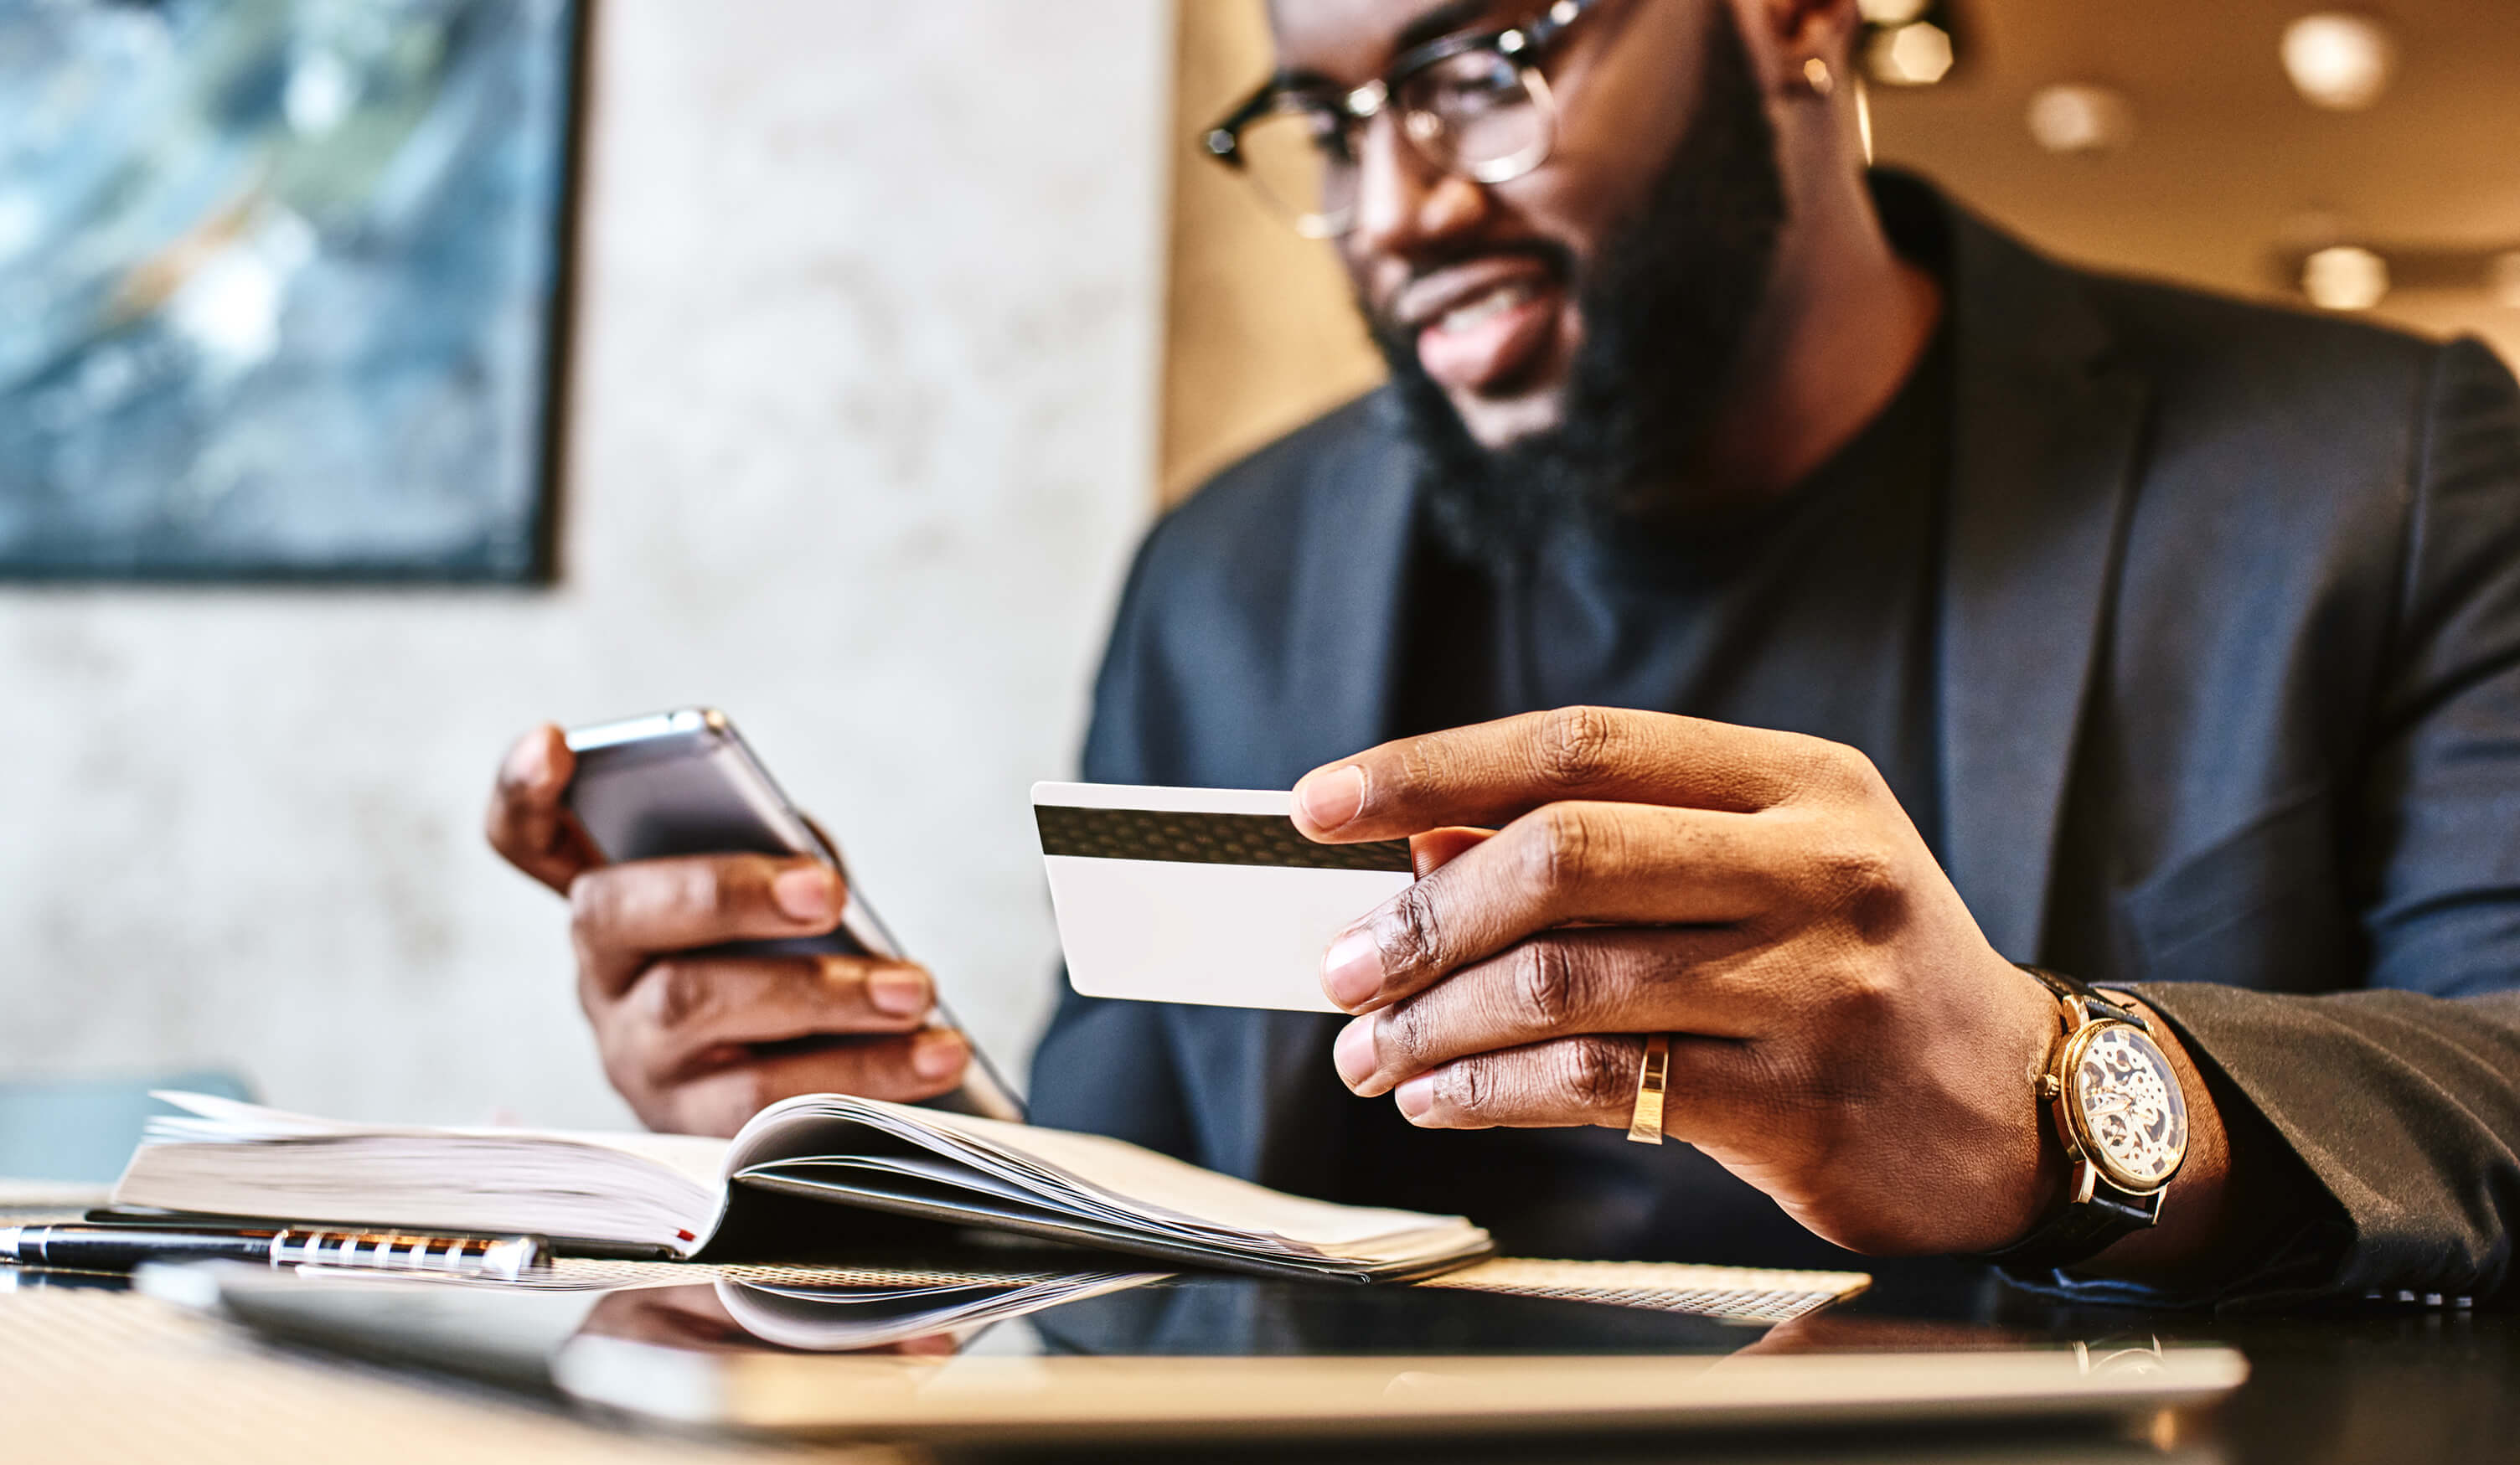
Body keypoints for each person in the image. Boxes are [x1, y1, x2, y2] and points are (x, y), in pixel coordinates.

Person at [488, 0, 2520, 1306]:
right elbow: (1138, 1199)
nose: (1399, 203)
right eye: (1326, 116)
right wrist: (872, 1140)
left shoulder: (2369, 468)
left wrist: (2058, 1091)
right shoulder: (1229, 562)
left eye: (1484, 64)